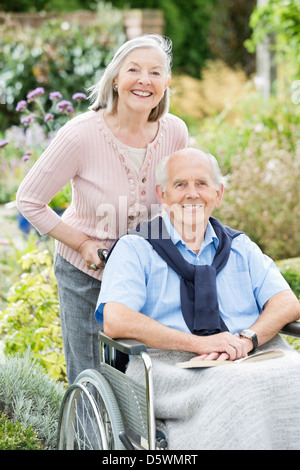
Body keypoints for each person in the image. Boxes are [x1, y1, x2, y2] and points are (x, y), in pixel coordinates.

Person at [96, 148, 300, 450]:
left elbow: (287, 302)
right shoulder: (135, 248)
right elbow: (116, 319)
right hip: (167, 364)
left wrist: (246, 340)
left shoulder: (241, 247)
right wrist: (201, 343)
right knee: (238, 389)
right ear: (162, 194)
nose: (192, 194)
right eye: (180, 185)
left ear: (218, 194)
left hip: (249, 353)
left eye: (202, 184)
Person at [16, 34, 188, 385]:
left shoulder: (175, 133)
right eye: (134, 70)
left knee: (142, 373)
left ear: (166, 84)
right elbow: (29, 200)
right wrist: (81, 244)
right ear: (115, 78)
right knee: (91, 375)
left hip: (146, 271)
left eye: (156, 73)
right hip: (87, 273)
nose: (145, 80)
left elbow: (177, 200)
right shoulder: (81, 134)